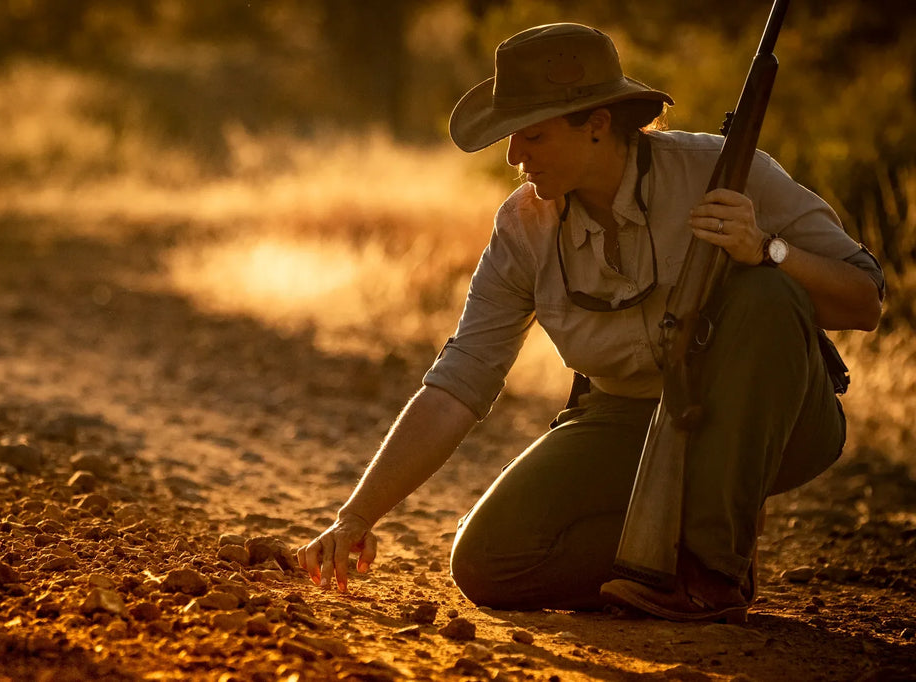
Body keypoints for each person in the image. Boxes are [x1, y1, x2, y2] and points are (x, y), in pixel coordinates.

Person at [296, 23, 884, 622]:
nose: (513, 156)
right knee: (488, 561)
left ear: (598, 123)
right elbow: (460, 381)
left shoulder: (726, 171)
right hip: (624, 416)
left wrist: (767, 249)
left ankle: (714, 573)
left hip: (776, 424)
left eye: (532, 135)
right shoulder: (522, 227)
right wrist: (357, 516)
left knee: (766, 293)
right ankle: (683, 559)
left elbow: (865, 303)